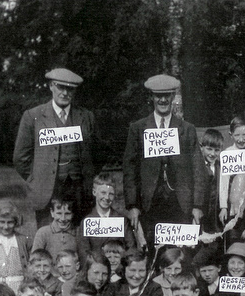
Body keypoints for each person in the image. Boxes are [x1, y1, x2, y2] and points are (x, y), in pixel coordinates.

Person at [123, 74, 206, 252]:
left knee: (180, 251)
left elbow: (198, 169)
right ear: (152, 97)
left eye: (166, 95)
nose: (162, 100)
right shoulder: (138, 128)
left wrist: (197, 205)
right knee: (152, 250)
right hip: (150, 202)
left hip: (180, 202)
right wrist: (132, 205)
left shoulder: (187, 129)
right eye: (158, 96)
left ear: (173, 96)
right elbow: (130, 169)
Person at [13, 68, 97, 227]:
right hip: (47, 193)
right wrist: (37, 179)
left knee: (80, 237)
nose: (65, 93)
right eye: (60, 87)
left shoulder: (86, 117)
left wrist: (87, 177)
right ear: (51, 86)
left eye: (70, 89)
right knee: (49, 236)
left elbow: (97, 154)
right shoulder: (33, 116)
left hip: (80, 193)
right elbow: (20, 158)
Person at [0, 200, 31, 294]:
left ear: (16, 222)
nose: (6, 226)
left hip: (19, 286)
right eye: (2, 222)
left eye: (10, 222)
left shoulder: (24, 241)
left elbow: (30, 266)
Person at [221, 116, 245, 241]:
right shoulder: (228, 153)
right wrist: (223, 207)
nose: (241, 139)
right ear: (230, 134)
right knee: (234, 234)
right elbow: (223, 183)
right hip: (233, 204)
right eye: (237, 135)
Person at [80, 172, 136, 255]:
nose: (107, 197)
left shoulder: (122, 221)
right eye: (103, 193)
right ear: (94, 192)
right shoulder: (87, 221)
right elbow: (84, 252)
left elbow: (131, 248)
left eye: (111, 194)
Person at [32, 197, 85, 262]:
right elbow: (35, 260)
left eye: (67, 213)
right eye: (59, 213)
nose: (63, 218)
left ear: (73, 214)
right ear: (52, 212)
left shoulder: (79, 232)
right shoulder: (43, 232)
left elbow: (84, 259)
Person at [196, 129, 225, 234]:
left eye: (217, 150)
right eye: (209, 149)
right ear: (201, 147)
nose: (212, 154)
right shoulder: (196, 166)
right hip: (198, 215)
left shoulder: (221, 166)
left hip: (215, 217)